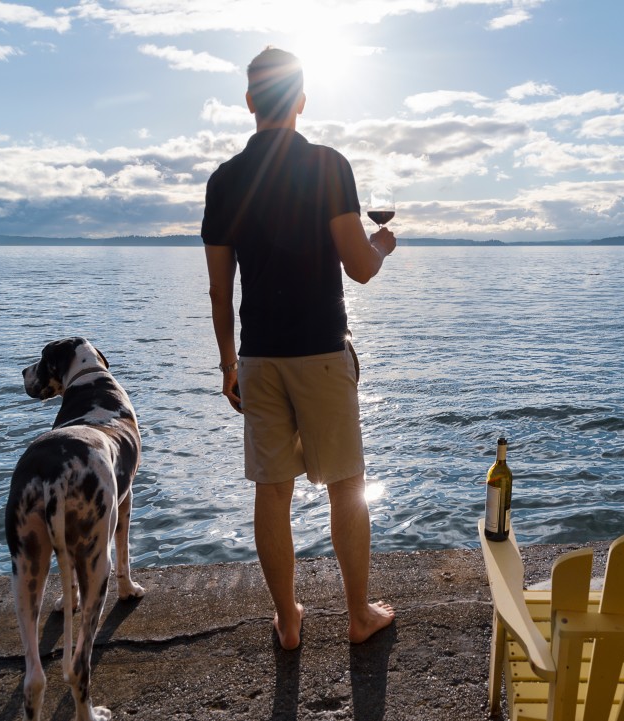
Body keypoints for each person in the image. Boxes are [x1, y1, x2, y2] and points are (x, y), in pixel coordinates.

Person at [201, 47, 396, 650]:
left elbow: (217, 290)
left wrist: (229, 364)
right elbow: (359, 266)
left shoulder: (224, 181)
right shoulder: (328, 165)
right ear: (302, 101)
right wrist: (384, 243)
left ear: (252, 102)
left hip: (258, 356)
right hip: (320, 350)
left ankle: (287, 619)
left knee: (272, 492)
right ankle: (358, 615)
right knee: (346, 483)